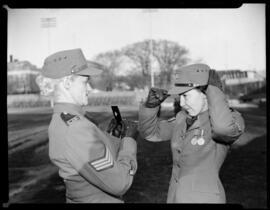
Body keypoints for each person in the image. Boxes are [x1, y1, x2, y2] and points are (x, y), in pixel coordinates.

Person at [35, 48, 138, 203]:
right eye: (85, 82)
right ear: (67, 83)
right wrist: (129, 142)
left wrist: (114, 138)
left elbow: (96, 161)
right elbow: (120, 183)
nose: (89, 88)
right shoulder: (77, 128)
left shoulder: (67, 120)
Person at [138, 63, 245, 203]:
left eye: (186, 96)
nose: (181, 103)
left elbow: (223, 130)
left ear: (206, 94)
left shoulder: (230, 118)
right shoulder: (182, 118)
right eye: (179, 97)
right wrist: (150, 107)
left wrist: (214, 91)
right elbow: (151, 133)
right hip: (175, 198)